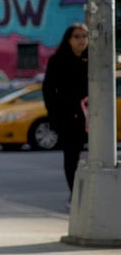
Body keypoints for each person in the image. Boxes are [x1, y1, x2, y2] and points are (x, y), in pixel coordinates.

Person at [42, 22, 89, 209]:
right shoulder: (58, 60)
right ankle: (75, 194)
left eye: (85, 36)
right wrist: (54, 115)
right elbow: (48, 89)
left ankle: (94, 193)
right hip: (69, 116)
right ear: (68, 39)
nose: (81, 41)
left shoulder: (93, 59)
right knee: (71, 157)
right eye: (77, 37)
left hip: (94, 116)